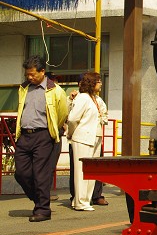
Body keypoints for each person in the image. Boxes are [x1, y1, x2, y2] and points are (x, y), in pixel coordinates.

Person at [14, 55, 68, 222]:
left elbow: (62, 113)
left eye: (33, 74)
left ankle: (43, 210)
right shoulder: (23, 88)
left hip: (44, 135)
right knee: (21, 173)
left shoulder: (55, 90)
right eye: (27, 75)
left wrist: (53, 131)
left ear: (42, 71)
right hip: (24, 135)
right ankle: (39, 199)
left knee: (41, 174)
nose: (29, 77)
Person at [66, 72, 104, 211]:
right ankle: (80, 201)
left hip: (94, 137)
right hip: (82, 138)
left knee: (91, 171)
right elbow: (72, 118)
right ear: (91, 83)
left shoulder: (94, 98)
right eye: (98, 81)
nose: (101, 83)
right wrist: (70, 133)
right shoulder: (83, 98)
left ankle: (86, 200)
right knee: (81, 171)